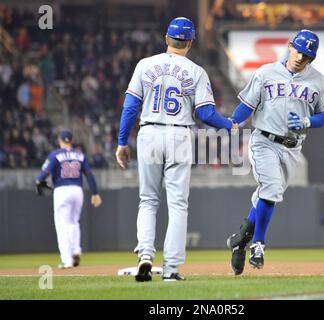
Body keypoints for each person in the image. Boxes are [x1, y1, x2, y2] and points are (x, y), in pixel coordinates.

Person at [115, 17, 237, 282]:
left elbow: (130, 107)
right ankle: (171, 269)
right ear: (190, 42)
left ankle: (145, 255)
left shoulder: (145, 65)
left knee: (148, 200)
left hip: (149, 132)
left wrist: (122, 142)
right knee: (178, 204)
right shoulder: (196, 71)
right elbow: (205, 112)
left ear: (166, 38)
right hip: (180, 134)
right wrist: (229, 126)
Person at [226, 30, 324, 275]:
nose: (301, 57)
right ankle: (258, 244)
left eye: (307, 55)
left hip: (292, 148)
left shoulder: (318, 80)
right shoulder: (266, 72)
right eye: (298, 50)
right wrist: (234, 122)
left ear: (313, 58)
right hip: (264, 141)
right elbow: (247, 105)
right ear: (289, 46)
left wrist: (307, 121)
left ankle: (241, 241)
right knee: (272, 188)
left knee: (266, 195)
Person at [36, 129, 102, 269]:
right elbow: (89, 175)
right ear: (71, 141)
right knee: (74, 222)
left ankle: (67, 259)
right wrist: (95, 193)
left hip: (61, 190)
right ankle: (76, 250)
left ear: (59, 140)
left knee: (62, 225)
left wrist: (41, 184)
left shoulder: (55, 155)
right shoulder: (80, 154)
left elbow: (41, 177)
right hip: (77, 190)